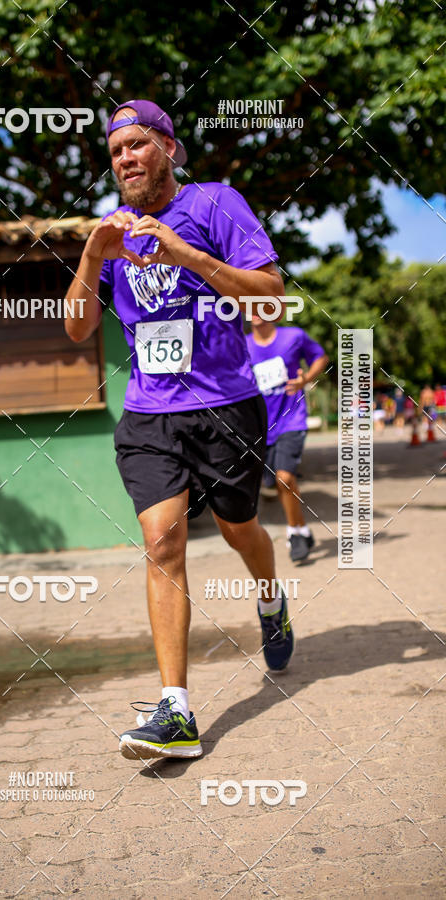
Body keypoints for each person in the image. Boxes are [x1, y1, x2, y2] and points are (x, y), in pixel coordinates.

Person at [64, 99, 292, 761]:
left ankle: (270, 599)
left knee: (237, 525)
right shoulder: (111, 232)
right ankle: (176, 712)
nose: (126, 158)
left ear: (168, 147)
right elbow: (78, 327)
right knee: (162, 540)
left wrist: (185, 255)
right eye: (115, 151)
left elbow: (270, 296)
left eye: (138, 144)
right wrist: (90, 252)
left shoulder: (218, 204)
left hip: (226, 403)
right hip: (149, 411)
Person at [245, 318, 327, 562]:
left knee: (285, 477)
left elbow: (320, 357)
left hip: (292, 419)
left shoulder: (293, 337)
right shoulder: (242, 344)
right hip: (259, 426)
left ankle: (294, 534)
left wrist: (306, 378)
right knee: (273, 484)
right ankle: (302, 528)